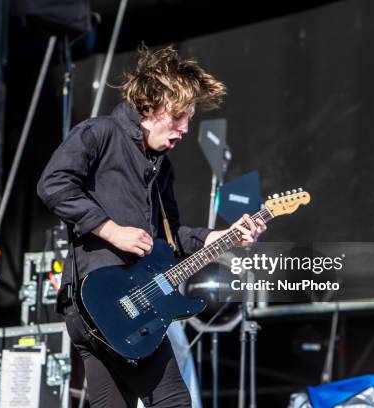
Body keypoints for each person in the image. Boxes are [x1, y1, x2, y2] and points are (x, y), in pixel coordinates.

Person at [37, 45, 266, 407]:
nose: (185, 129)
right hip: (105, 300)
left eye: (189, 119)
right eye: (178, 116)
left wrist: (220, 237)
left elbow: (169, 241)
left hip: (118, 310)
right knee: (173, 402)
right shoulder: (100, 133)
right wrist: (111, 230)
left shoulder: (161, 166)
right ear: (152, 105)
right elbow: (53, 183)